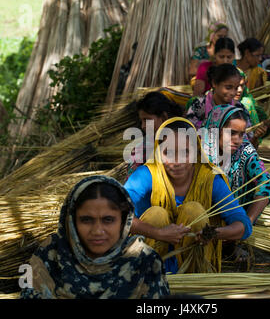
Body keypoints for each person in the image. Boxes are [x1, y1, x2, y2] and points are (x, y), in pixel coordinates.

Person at [125, 118, 252, 274]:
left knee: (194, 211)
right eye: (168, 153)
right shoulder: (147, 174)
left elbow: (243, 225)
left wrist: (213, 234)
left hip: (194, 263)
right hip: (150, 263)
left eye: (185, 152)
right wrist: (158, 233)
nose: (177, 162)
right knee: (156, 215)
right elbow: (117, 215)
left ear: (197, 152)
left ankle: (194, 278)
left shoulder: (209, 179)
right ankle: (149, 278)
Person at [20, 175, 170, 299]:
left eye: (108, 220)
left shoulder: (144, 260)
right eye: (86, 220)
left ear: (124, 221)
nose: (98, 231)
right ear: (71, 220)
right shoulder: (51, 254)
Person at [202, 105, 270, 225]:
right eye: (231, 133)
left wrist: (246, 223)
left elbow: (266, 183)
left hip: (234, 223)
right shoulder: (199, 153)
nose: (237, 140)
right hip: (200, 220)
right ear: (215, 129)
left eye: (241, 134)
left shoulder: (245, 151)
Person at [126, 92, 183, 179]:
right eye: (142, 121)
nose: (143, 126)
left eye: (147, 120)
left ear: (164, 118)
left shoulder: (185, 143)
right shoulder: (141, 150)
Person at [186, 63, 243, 130]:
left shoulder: (239, 108)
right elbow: (189, 131)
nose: (233, 93)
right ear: (214, 83)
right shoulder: (199, 105)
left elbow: (246, 136)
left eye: (236, 88)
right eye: (228, 87)